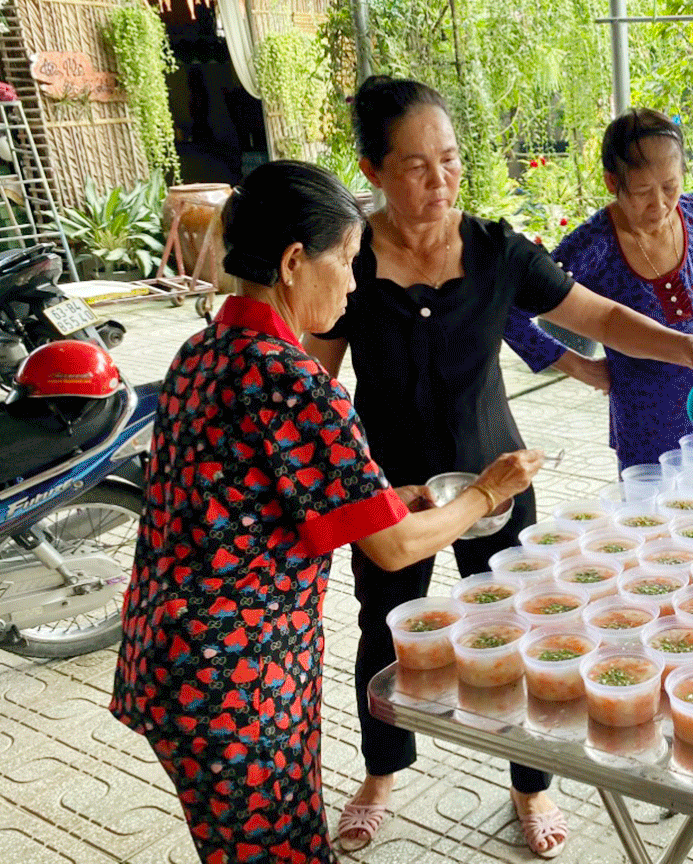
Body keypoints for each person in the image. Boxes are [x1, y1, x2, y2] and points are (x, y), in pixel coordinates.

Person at [300, 78, 693, 859]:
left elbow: (596, 316)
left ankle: (530, 786)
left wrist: (684, 342)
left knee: (519, 631)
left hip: (497, 476)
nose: (440, 182)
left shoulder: (497, 251)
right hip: (390, 487)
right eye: (416, 166)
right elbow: (314, 380)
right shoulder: (349, 262)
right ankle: (381, 774)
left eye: (451, 161)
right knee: (382, 630)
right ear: (372, 170)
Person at [109, 160, 545, 864]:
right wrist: (488, 493)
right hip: (238, 683)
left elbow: (253, 499)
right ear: (292, 262)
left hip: (168, 662)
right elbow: (397, 549)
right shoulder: (292, 380)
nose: (352, 280)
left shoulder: (203, 350)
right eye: (345, 260)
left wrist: (388, 500)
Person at [505, 107, 693, 471]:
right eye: (642, 191)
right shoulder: (592, 246)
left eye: (671, 186)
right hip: (645, 421)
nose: (660, 204)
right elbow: (510, 314)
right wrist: (583, 369)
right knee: (649, 519)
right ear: (612, 182)